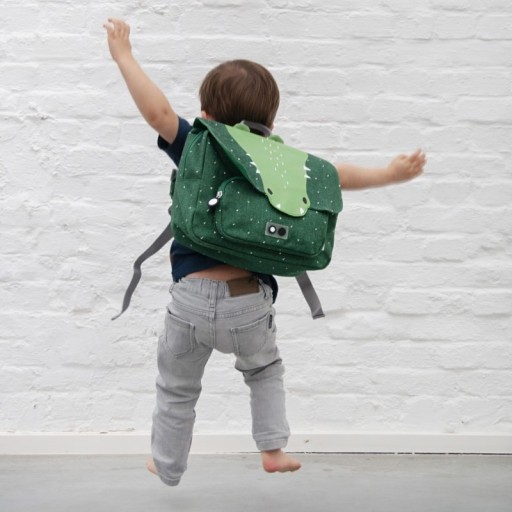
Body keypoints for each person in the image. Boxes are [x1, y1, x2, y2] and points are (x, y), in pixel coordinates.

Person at [104, 18, 426, 487]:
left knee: (176, 388)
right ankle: (273, 450)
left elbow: (157, 114)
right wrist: (389, 174)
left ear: (206, 114)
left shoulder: (198, 144)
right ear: (271, 122)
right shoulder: (280, 163)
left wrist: (124, 56)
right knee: (265, 372)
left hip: (189, 299)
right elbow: (334, 177)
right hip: (248, 303)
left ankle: (167, 464)